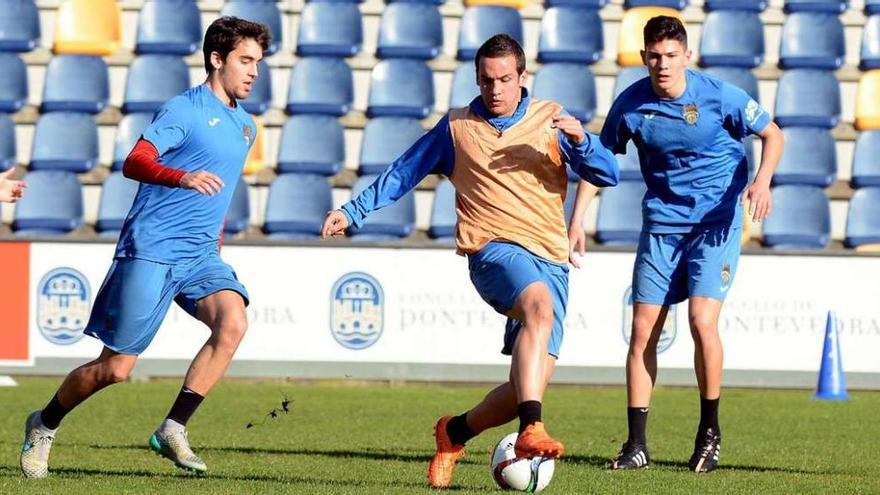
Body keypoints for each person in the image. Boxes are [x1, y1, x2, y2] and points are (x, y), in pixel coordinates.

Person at [321, 34, 620, 488]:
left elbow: (608, 174)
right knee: (538, 309)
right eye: (486, 80)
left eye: (504, 79)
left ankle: (454, 432)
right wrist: (352, 210)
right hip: (492, 252)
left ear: (523, 78)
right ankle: (531, 430)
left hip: (552, 259)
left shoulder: (550, 119)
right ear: (476, 79)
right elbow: (404, 171)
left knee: (525, 385)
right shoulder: (457, 127)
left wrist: (582, 142)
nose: (495, 89)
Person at [19, 17, 270, 478]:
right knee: (114, 369)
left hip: (200, 256)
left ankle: (173, 428)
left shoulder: (245, 126)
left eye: (258, 62)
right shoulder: (183, 110)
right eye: (246, 60)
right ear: (217, 60)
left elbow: (222, 192)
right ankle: (44, 422)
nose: (255, 71)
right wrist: (182, 177)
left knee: (233, 322)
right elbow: (134, 161)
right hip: (151, 249)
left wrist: (213, 242)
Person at [568, 16, 784, 473]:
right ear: (644, 56)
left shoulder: (719, 96)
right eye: (654, 56)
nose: (662, 65)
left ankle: (709, 432)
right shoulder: (630, 104)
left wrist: (762, 180)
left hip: (714, 225)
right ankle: (636, 444)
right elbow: (600, 162)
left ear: (687, 55)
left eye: (671, 56)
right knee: (643, 330)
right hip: (662, 227)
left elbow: (773, 133)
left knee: (702, 321)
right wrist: (577, 219)